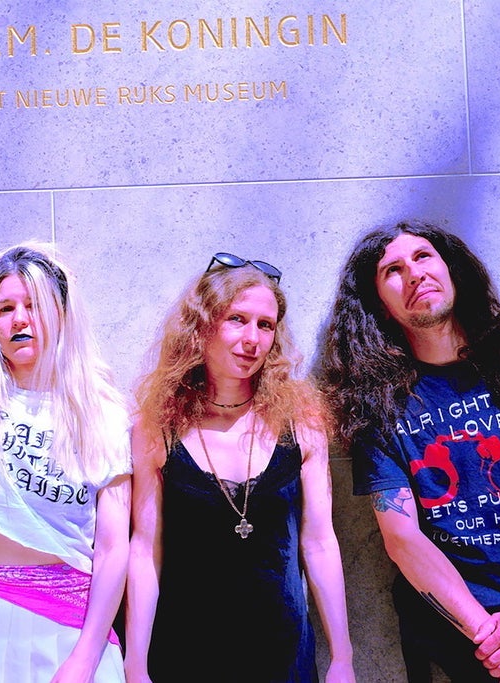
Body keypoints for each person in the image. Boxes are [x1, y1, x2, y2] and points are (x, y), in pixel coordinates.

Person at [314, 220, 500, 682]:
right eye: (392, 270)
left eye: (423, 256)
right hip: (464, 645)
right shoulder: (377, 405)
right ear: (381, 306)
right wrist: (499, 647)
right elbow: (403, 540)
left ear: (452, 270)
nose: (414, 273)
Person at [126, 252, 356, 683]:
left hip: (282, 656)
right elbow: (144, 551)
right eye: (237, 319)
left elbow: (320, 543)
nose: (252, 339)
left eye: (265, 325)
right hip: (184, 656)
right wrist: (135, 663)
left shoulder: (301, 421)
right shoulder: (157, 428)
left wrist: (342, 657)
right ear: (202, 326)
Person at [0, 243, 132, 682]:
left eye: (34, 304)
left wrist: (84, 659)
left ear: (61, 313)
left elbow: (114, 549)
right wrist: (22, 253)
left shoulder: (103, 412)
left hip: (73, 633)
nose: (19, 319)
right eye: (4, 309)